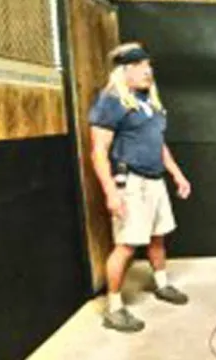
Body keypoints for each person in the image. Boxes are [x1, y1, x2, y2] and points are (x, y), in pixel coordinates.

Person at [89, 42, 192, 333]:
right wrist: (111, 192)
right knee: (126, 246)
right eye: (139, 66)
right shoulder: (110, 102)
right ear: (124, 71)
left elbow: (159, 146)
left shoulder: (150, 103)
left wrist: (177, 175)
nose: (147, 71)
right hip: (130, 183)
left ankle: (161, 285)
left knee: (158, 237)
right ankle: (114, 308)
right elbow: (98, 151)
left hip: (155, 181)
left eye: (148, 66)